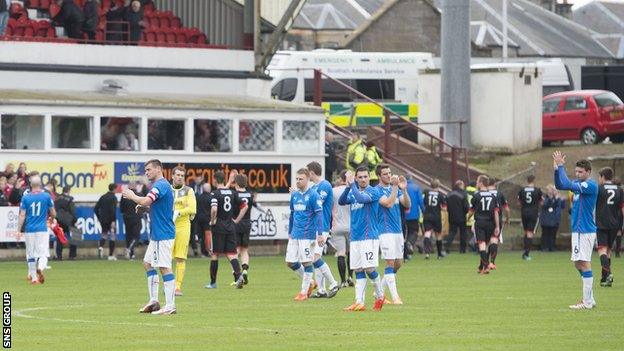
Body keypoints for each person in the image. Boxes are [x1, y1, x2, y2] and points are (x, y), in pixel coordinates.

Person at [122, 159, 176, 315]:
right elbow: (157, 207)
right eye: (145, 170)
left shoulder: (160, 185)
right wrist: (144, 209)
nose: (146, 173)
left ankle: (170, 305)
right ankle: (154, 301)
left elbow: (146, 200)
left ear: (158, 169)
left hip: (163, 234)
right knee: (147, 263)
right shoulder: (162, 186)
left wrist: (132, 196)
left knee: (165, 267)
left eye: (149, 169)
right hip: (157, 234)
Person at [553, 151, 598, 309]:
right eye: (576, 172)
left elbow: (567, 185)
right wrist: (556, 170)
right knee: (578, 264)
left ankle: (587, 302)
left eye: (580, 172)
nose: (577, 174)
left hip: (585, 230)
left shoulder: (590, 185)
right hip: (578, 230)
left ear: (588, 172)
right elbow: (560, 185)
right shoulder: (580, 184)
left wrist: (561, 166)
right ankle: (590, 298)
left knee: (584, 264)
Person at [338, 166, 385, 312]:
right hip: (356, 237)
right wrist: (347, 187)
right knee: (358, 269)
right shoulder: (353, 191)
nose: (363, 179)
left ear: (369, 178)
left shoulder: (374, 191)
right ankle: (359, 302)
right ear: (356, 178)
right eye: (360, 177)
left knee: (369, 268)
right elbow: (341, 201)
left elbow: (361, 198)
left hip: (368, 236)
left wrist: (352, 185)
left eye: (365, 177)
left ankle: (380, 295)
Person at [205, 170, 247, 289]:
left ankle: (213, 283)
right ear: (224, 180)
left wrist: (213, 220)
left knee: (214, 254)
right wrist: (236, 220)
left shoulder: (214, 194)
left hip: (218, 228)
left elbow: (214, 209)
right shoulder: (232, 193)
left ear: (214, 180)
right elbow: (245, 206)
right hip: (230, 227)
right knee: (232, 254)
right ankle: (239, 276)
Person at [375, 164, 411, 305]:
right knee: (389, 262)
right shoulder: (376, 191)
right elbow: (388, 203)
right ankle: (395, 297)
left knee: (398, 263)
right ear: (379, 176)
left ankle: (379, 292)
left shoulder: (395, 189)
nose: (389, 176)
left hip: (397, 231)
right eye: (385, 174)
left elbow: (407, 205)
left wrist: (404, 189)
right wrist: (396, 187)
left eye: (390, 173)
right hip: (385, 231)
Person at [306, 161, 340, 298]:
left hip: (322, 226)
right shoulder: (314, 187)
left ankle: (333, 283)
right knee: (315, 258)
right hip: (314, 226)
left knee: (315, 258)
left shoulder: (325, 185)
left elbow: (317, 202)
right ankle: (321, 290)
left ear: (312, 173)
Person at [18, 175, 56, 285]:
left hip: (29, 229)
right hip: (42, 228)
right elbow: (53, 212)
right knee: (43, 253)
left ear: (30, 185)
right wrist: (51, 219)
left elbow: (22, 215)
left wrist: (18, 230)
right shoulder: (46, 196)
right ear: (40, 184)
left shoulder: (25, 197)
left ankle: (34, 279)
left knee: (31, 254)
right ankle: (40, 268)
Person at [169, 166, 196, 296]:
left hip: (183, 226)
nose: (180, 177)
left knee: (180, 257)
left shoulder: (189, 191)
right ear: (172, 176)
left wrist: (179, 212)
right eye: (177, 175)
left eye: (182, 175)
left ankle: (177, 287)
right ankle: (168, 286)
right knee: (166, 259)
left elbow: (192, 209)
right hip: (168, 227)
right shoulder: (167, 190)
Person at [595, 167, 624, 287]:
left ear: (602, 177)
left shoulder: (599, 189)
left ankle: (609, 274)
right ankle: (604, 279)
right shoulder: (619, 189)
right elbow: (622, 208)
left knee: (601, 250)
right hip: (615, 224)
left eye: (599, 177)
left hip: (602, 223)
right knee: (608, 251)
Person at [468, 175, 500, 275]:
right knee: (485, 245)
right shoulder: (493, 196)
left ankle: (485, 267)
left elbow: (471, 211)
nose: (476, 183)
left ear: (481, 183)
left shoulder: (476, 196)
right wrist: (497, 226)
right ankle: (481, 266)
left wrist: (468, 218)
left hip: (480, 223)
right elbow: (496, 212)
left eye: (477, 182)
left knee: (481, 245)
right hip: (490, 223)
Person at [330, 170, 353, 288]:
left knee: (341, 254)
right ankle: (350, 277)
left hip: (337, 226)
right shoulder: (354, 190)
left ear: (340, 178)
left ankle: (343, 281)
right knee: (351, 253)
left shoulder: (333, 191)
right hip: (351, 226)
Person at [233, 174, 254, 285]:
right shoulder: (250, 195)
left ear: (236, 183)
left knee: (235, 250)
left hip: (236, 223)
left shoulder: (235, 194)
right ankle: (245, 270)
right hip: (247, 223)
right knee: (244, 250)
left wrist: (235, 220)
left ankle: (237, 276)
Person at [518, 175, 542, 261]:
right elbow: (541, 201)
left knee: (526, 232)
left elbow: (519, 202)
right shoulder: (537, 190)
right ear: (533, 180)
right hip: (533, 213)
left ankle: (525, 251)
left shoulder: (522, 190)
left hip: (524, 212)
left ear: (527, 180)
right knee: (530, 233)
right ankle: (526, 254)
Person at [422, 179, 447, 259]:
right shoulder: (440, 195)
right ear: (438, 185)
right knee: (438, 235)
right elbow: (444, 207)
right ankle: (439, 254)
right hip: (436, 216)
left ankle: (427, 253)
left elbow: (424, 203)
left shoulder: (426, 193)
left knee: (427, 233)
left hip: (427, 215)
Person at [487, 179, 509, 268]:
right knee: (494, 240)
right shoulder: (499, 194)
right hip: (496, 220)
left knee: (485, 243)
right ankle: (492, 262)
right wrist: (507, 218)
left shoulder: (482, 193)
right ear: (495, 184)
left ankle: (484, 262)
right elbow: (507, 209)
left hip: (484, 220)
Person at [444, 180, 469, 254]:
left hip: (452, 216)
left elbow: (446, 205)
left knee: (452, 232)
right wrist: (465, 213)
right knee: (463, 233)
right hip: (461, 216)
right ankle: (462, 249)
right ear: (460, 185)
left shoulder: (449, 194)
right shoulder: (463, 194)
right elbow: (466, 206)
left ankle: (446, 246)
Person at [95, 183, 118, 260]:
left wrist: (99, 217)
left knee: (104, 234)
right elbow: (112, 210)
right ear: (114, 189)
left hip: (103, 220)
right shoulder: (113, 198)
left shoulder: (103, 197)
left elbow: (96, 208)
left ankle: (101, 247)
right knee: (112, 236)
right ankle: (110, 255)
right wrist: (113, 221)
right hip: (110, 220)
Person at [403, 175, 425, 259]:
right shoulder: (416, 188)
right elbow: (420, 201)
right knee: (414, 231)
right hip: (414, 214)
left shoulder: (401, 187)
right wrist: (423, 211)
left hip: (403, 215)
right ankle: (409, 243)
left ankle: (406, 252)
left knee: (404, 233)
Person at [120, 182, 142, 260]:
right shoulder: (139, 194)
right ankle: (129, 249)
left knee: (128, 236)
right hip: (136, 218)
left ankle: (131, 254)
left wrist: (125, 213)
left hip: (127, 218)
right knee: (136, 237)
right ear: (135, 187)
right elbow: (142, 205)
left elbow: (121, 208)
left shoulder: (124, 196)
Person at [540, 184, 565, 252]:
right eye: (552, 190)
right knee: (545, 233)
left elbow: (562, 206)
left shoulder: (556, 198)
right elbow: (546, 205)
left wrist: (562, 200)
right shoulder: (544, 197)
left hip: (554, 218)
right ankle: (544, 247)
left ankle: (552, 247)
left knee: (553, 234)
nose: (553, 191)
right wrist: (554, 199)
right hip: (546, 218)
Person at [54, 186, 77, 260]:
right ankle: (72, 256)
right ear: (69, 191)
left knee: (59, 238)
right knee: (75, 236)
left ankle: (59, 256)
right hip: (68, 221)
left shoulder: (57, 198)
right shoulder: (70, 199)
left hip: (58, 221)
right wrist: (74, 221)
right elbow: (72, 211)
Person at [195, 182, 213, 257]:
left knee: (202, 236)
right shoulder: (211, 197)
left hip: (199, 219)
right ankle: (208, 251)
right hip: (208, 219)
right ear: (209, 189)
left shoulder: (198, 197)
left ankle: (203, 253)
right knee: (208, 236)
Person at [465, 181, 478, 253]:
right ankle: (473, 244)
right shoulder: (477, 193)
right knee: (477, 232)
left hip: (466, 214)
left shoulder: (464, 192)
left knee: (467, 232)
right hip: (474, 214)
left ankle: (468, 246)